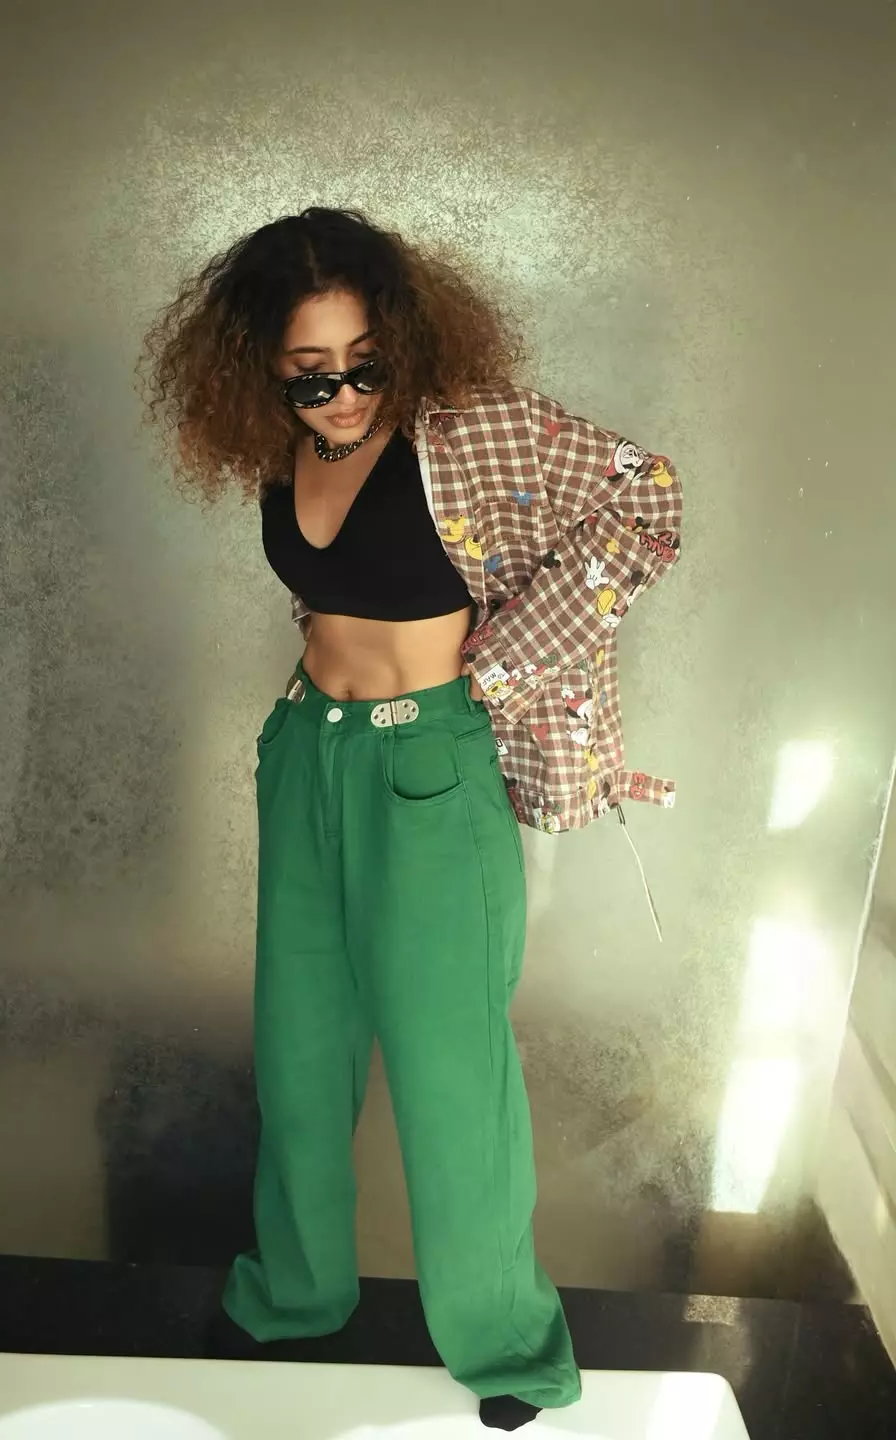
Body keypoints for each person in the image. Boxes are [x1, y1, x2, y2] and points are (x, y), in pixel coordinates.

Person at [142, 207, 682, 1430]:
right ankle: (295, 1295)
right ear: (262, 367)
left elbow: (646, 496)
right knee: (300, 1052)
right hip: (306, 756)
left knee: (450, 1073)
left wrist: (510, 662)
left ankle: (506, 1345)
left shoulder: (467, 434)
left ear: (404, 342)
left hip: (430, 772)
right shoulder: (275, 450)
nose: (341, 395)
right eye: (309, 373)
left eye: (364, 365)